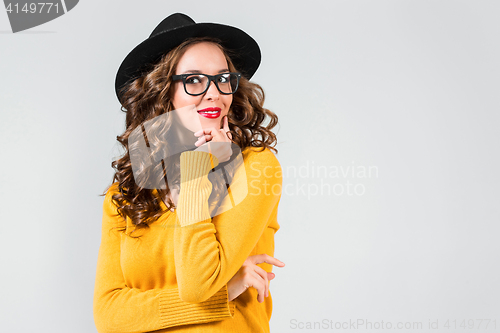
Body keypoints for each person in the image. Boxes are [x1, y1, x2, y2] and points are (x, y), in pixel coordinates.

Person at [93, 13, 285, 333]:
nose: (214, 93)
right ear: (161, 91)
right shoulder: (124, 195)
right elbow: (109, 315)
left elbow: (196, 284)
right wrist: (225, 293)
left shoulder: (255, 166)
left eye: (223, 78)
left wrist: (197, 172)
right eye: (194, 80)